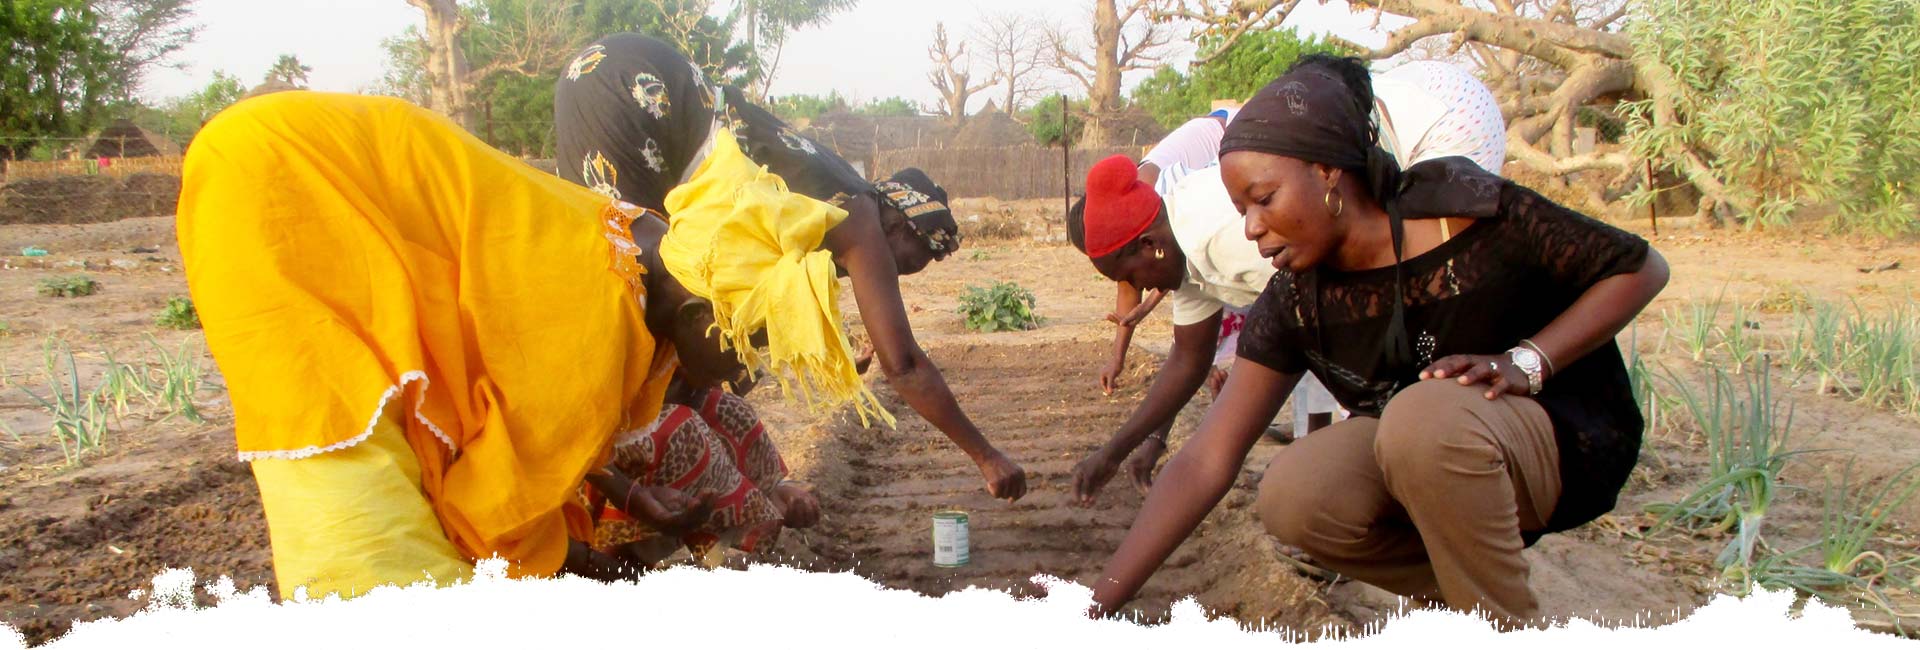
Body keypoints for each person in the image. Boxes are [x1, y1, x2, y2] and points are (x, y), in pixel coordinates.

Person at [1086, 55, 1669, 626]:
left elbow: (1641, 268)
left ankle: (1497, 626)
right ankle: (1451, 594)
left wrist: (1529, 359)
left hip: (1558, 439)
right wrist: (1095, 609)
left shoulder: (1462, 212)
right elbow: (1208, 458)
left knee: (1421, 417)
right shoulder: (1297, 294)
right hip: (1434, 450)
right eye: (1242, 210)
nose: (1252, 227)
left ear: (1328, 172)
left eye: (1264, 200)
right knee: (1295, 493)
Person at [178, 90, 788, 599]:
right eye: (748, 345)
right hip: (281, 196)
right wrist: (602, 573)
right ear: (696, 310)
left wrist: (625, 500)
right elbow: (494, 516)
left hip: (286, 167)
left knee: (405, 479)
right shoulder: (600, 312)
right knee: (363, 515)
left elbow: (514, 428)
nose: (746, 374)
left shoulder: (635, 246)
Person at [554, 33, 1026, 502]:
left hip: (623, 69)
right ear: (901, 227)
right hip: (641, 97)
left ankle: (610, 485)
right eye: (912, 262)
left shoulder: (832, 193)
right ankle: (593, 498)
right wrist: (986, 456)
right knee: (629, 307)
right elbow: (902, 365)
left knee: (635, 292)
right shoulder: (860, 221)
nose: (899, 274)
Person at [1069, 60, 1509, 504]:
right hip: (1393, 113)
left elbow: (1321, 321)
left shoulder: (1226, 235)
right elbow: (1188, 359)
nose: (1139, 291)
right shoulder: (1180, 253)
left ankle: (1484, 435)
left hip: (1439, 116)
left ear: (1149, 246)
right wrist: (1128, 448)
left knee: (1430, 282)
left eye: (1130, 278)